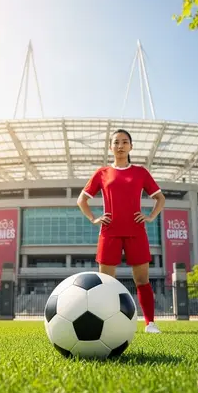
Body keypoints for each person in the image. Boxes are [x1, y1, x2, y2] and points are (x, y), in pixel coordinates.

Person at [77, 129, 166, 333]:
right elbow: (81, 200)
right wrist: (94, 218)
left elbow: (160, 198)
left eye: (125, 142)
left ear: (131, 147)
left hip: (137, 232)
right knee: (106, 283)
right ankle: (107, 324)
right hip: (109, 232)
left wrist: (151, 216)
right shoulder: (102, 173)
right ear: (110, 147)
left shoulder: (140, 172)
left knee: (142, 281)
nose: (120, 146)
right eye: (116, 142)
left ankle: (150, 323)